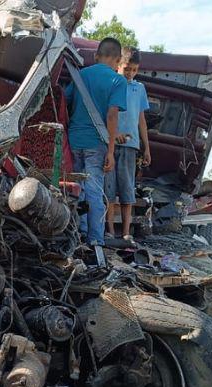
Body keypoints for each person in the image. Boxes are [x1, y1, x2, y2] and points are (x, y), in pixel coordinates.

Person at [65, 37, 127, 246]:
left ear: (96, 56)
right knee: (94, 190)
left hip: (74, 140)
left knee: (77, 189)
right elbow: (112, 115)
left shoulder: (80, 76)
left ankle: (79, 233)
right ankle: (95, 240)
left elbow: (65, 102)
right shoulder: (118, 81)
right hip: (96, 144)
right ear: (118, 60)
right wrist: (111, 151)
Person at [105, 46, 151, 241]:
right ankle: (109, 231)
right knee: (108, 191)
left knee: (126, 191)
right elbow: (105, 114)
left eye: (134, 69)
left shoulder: (139, 88)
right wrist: (113, 136)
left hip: (131, 146)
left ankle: (125, 233)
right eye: (127, 69)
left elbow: (141, 119)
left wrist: (146, 147)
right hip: (109, 145)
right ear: (118, 65)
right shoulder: (110, 83)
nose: (130, 73)